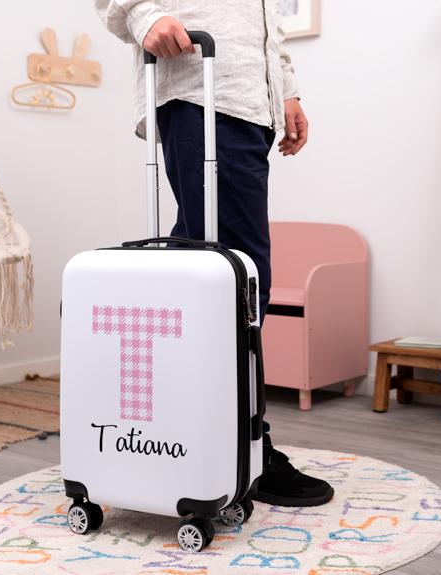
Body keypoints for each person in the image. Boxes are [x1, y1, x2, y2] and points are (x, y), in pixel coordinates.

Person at [93, 0, 333, 508]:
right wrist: (143, 16)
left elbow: (265, 22)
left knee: (209, 276)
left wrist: (285, 90)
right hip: (201, 87)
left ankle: (186, 433)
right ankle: (242, 446)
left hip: (248, 103)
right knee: (236, 281)